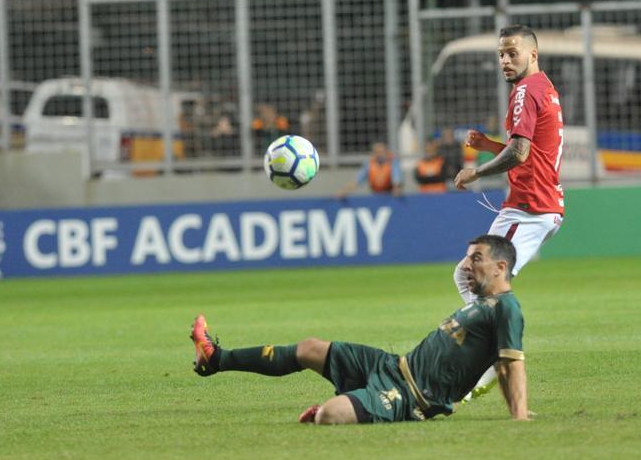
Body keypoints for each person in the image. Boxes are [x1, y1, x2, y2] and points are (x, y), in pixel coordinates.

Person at [189, 235, 529, 423]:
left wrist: (520, 416)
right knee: (309, 348)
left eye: (476, 258)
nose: (468, 265)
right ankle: (215, 358)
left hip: (413, 396)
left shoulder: (507, 308)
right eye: (468, 257)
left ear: (501, 267)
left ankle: (338, 408)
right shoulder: (479, 302)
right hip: (395, 366)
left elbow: (510, 364)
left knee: (329, 417)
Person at [452, 24, 564, 399]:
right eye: (501, 53)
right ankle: (492, 353)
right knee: (472, 276)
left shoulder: (525, 92)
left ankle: (491, 359)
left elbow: (519, 154)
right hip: (534, 205)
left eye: (512, 52)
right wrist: (487, 145)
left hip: (529, 208)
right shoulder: (543, 87)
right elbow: (531, 150)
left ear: (533, 54)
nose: (505, 60)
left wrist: (476, 171)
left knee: (476, 277)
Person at [337, 141, 403, 197]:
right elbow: (357, 180)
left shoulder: (392, 162)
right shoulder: (369, 163)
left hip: (390, 194)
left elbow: (396, 179)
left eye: (381, 152)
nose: (379, 155)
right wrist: (344, 191)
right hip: (375, 194)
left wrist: (396, 188)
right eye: (377, 152)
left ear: (386, 152)